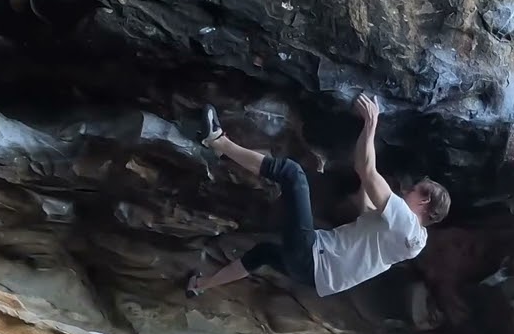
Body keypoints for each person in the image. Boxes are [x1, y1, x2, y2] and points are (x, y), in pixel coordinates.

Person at [185, 94, 451, 298]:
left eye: (414, 188)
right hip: (313, 277)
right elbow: (365, 197)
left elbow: (367, 170)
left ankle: (217, 141)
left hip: (312, 257)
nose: (406, 190)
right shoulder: (409, 239)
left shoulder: (407, 225)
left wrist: (371, 124)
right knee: (263, 253)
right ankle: (200, 285)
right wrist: (361, 171)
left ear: (425, 200)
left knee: (293, 174)